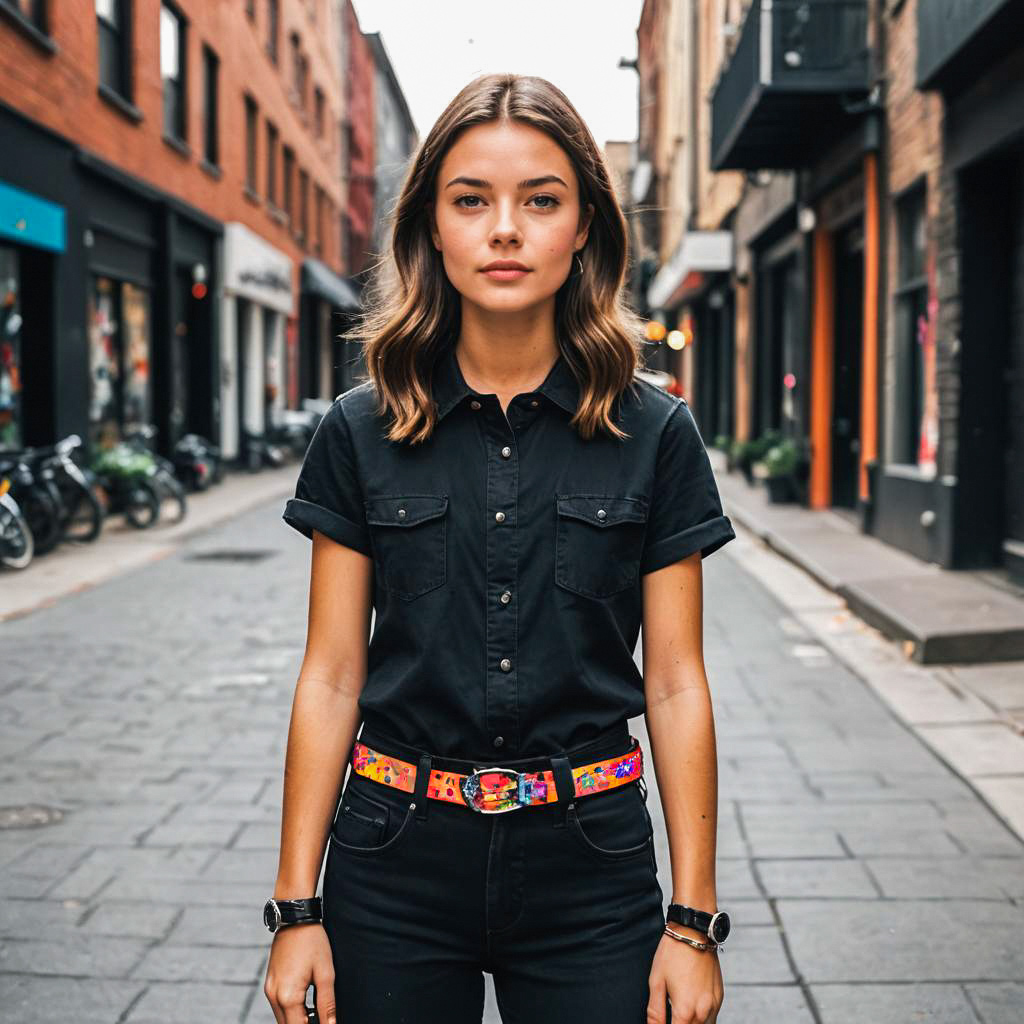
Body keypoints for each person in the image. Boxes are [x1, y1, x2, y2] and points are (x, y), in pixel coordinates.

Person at [264, 72, 735, 1024]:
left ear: (586, 227)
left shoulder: (656, 432)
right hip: (392, 856)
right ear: (432, 227)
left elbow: (677, 682)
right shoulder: (361, 429)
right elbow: (330, 675)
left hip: (590, 862)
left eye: (542, 200)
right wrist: (296, 909)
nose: (506, 229)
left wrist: (692, 922)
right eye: (471, 200)